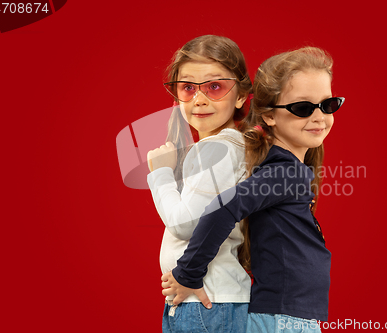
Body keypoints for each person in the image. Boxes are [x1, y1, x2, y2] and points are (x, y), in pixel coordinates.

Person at [161, 46, 345, 333]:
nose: (319, 116)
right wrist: (188, 273)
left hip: (287, 317)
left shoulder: (283, 169)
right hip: (283, 320)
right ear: (269, 116)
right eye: (303, 108)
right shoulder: (285, 172)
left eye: (328, 104)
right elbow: (222, 210)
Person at [146, 35, 252, 333]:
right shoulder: (227, 147)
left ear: (242, 95)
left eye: (215, 87)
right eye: (188, 88)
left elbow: (185, 224)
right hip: (210, 302)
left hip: (205, 304)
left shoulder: (217, 149)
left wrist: (161, 174)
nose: (200, 99)